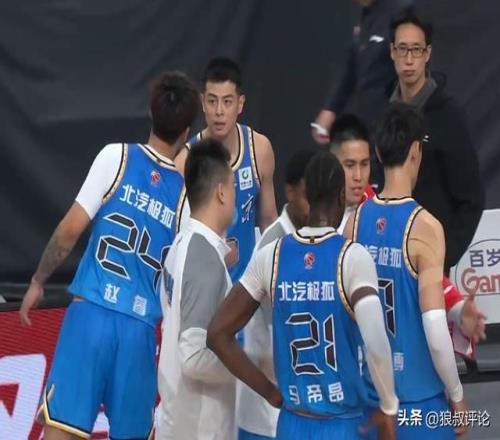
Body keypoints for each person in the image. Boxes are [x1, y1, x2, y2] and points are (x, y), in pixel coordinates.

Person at [19, 71, 199, 440]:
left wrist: (38, 280)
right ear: (186, 132)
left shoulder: (116, 157)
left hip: (90, 315)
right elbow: (186, 274)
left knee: (61, 431)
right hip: (139, 331)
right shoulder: (186, 196)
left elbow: (69, 230)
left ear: (150, 113)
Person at [207, 152, 399, 440]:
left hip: (292, 423)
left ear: (306, 194)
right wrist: (388, 404)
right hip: (342, 425)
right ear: (340, 196)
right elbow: (375, 336)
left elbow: (217, 334)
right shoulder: (352, 256)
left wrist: (269, 391)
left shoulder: (271, 255)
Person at [344, 102, 467, 438]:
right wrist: (457, 395)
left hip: (372, 403)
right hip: (420, 402)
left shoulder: (354, 224)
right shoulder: (425, 228)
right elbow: (436, 329)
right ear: (416, 151)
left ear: (377, 153)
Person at [329, 114, 486, 351]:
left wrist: (458, 309)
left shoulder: (380, 211)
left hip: (391, 351)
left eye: (365, 164)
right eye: (350, 165)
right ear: (332, 164)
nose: (359, 176)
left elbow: (422, 272)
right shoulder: (312, 219)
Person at [388, 7, 484, 273]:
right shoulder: (384, 113)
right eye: (403, 49)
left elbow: (471, 198)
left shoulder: (449, 115)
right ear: (392, 52)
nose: (409, 59)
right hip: (388, 259)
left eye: (416, 50)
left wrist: (443, 256)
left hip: (431, 263)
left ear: (427, 53)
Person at [156, 139, 236, 440]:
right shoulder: (204, 258)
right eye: (233, 187)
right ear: (221, 192)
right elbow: (193, 358)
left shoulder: (181, 244)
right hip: (198, 428)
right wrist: (246, 367)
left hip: (179, 417)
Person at [175, 57, 277, 283]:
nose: (219, 111)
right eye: (212, 101)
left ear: (240, 104)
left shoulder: (259, 149)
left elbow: (269, 221)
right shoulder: (185, 162)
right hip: (204, 285)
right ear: (202, 102)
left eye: (227, 102)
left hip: (247, 289)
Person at [237, 149, 315, 440]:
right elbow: (282, 337)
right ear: (290, 192)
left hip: (298, 409)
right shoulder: (274, 247)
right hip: (267, 417)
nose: (317, 206)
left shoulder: (315, 240)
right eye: (309, 195)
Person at [312, 0, 409, 140]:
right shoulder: (366, 16)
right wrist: (331, 109)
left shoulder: (402, 12)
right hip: (365, 124)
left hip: (392, 126)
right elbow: (351, 69)